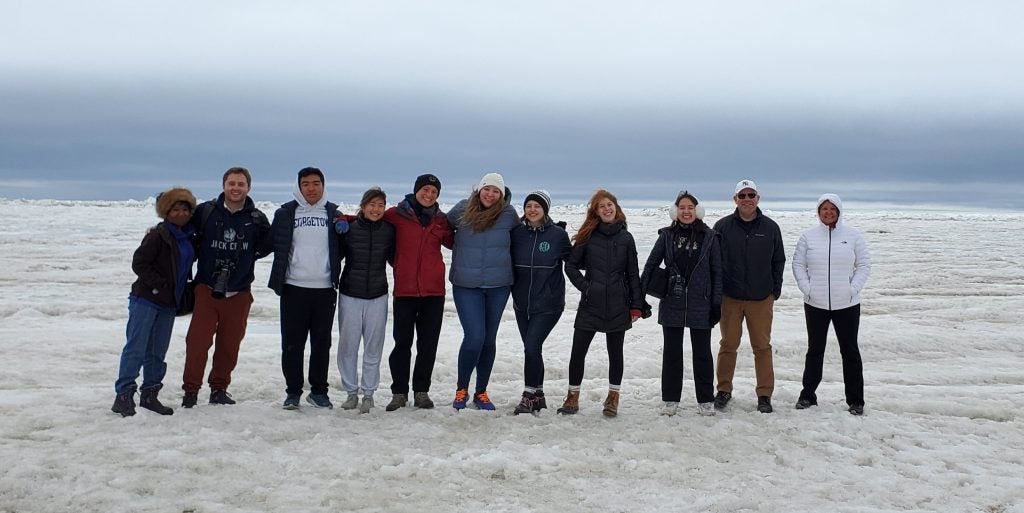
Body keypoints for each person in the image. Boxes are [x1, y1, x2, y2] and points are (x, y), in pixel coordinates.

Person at [181, 167, 271, 408]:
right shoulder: (206, 212)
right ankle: (190, 391)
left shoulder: (257, 218)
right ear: (223, 185)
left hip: (239, 291)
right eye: (231, 183)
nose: (236, 188)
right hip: (207, 289)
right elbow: (184, 235)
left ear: (248, 188)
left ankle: (219, 389)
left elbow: (266, 247)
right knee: (197, 343)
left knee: (229, 345)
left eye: (241, 184)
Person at [559, 189, 646, 418]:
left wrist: (636, 305)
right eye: (601, 206)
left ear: (616, 208)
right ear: (596, 212)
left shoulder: (626, 238)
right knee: (578, 352)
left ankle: (613, 398)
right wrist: (586, 287)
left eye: (610, 205)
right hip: (591, 304)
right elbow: (570, 265)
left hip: (618, 305)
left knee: (615, 353)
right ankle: (572, 397)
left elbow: (633, 274)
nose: (607, 209)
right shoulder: (589, 235)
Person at [112, 187, 197, 417]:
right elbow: (139, 263)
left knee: (157, 351)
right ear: (165, 212)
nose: (180, 214)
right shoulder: (157, 236)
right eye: (175, 209)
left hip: (169, 304)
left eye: (184, 209)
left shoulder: (188, 237)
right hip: (146, 300)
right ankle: (124, 395)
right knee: (136, 348)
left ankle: (150, 394)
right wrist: (159, 285)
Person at [641, 191, 722, 416]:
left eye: (690, 207)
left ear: (698, 211)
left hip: (701, 304)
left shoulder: (710, 237)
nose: (686, 211)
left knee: (702, 353)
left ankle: (706, 399)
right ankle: (670, 399)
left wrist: (716, 304)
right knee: (672, 353)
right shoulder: (666, 236)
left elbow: (717, 273)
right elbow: (650, 266)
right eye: (682, 208)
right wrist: (639, 297)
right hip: (672, 302)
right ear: (675, 211)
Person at [268, 167, 341, 410]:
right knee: (292, 343)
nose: (311, 188)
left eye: (316, 183)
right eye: (306, 183)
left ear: (323, 185)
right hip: (293, 287)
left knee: (322, 343)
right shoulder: (286, 213)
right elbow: (269, 243)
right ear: (299, 187)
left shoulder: (333, 214)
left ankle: (319, 392)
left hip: (324, 289)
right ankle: (293, 392)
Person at [792, 193, 871, 416]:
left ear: (839, 211)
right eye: (824, 209)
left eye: (832, 209)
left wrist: (851, 289)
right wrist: (807, 288)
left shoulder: (853, 236)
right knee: (815, 350)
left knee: (850, 351)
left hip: (846, 303)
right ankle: (808, 395)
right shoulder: (808, 236)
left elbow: (864, 265)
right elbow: (798, 264)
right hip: (815, 303)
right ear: (818, 212)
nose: (828, 212)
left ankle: (856, 400)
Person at [712, 179, 786, 413]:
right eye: (742, 196)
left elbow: (779, 260)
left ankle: (764, 394)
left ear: (758, 198)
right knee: (728, 345)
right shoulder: (722, 227)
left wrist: (775, 290)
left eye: (750, 195)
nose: (747, 199)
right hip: (730, 297)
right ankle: (724, 390)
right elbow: (714, 262)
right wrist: (717, 290)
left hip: (761, 297)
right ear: (735, 199)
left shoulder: (770, 228)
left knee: (762, 346)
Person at [447, 172, 520, 410]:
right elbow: (439, 230)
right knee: (475, 336)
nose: (490, 194)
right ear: (479, 189)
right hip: (467, 285)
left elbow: (522, 239)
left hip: (498, 286)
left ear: (501, 195)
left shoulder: (508, 214)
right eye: (487, 189)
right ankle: (461, 389)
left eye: (495, 191)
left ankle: (481, 392)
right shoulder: (461, 210)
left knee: (488, 340)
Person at [381, 174, 453, 411]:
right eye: (426, 190)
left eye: (434, 192)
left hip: (433, 291)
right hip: (405, 290)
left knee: (428, 344)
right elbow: (371, 217)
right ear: (416, 190)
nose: (429, 195)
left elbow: (459, 241)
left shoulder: (442, 220)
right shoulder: (396, 215)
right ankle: (399, 392)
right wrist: (341, 218)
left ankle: (421, 391)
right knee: (402, 343)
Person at [510, 190, 571, 415]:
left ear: (545, 209)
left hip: (549, 303)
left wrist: (589, 287)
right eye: (529, 206)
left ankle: (527, 396)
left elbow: (573, 263)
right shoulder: (517, 233)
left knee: (531, 346)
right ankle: (539, 395)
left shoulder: (557, 235)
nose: (532, 210)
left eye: (537, 206)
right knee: (532, 350)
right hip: (521, 303)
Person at [336, 188, 395, 413]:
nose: (376, 209)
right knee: (348, 345)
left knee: (373, 346)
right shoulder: (349, 229)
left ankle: (369, 394)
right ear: (363, 206)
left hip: (378, 294)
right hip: (350, 293)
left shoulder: (389, 231)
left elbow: (396, 258)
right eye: (372, 204)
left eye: (380, 205)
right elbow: (335, 255)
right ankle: (351, 392)